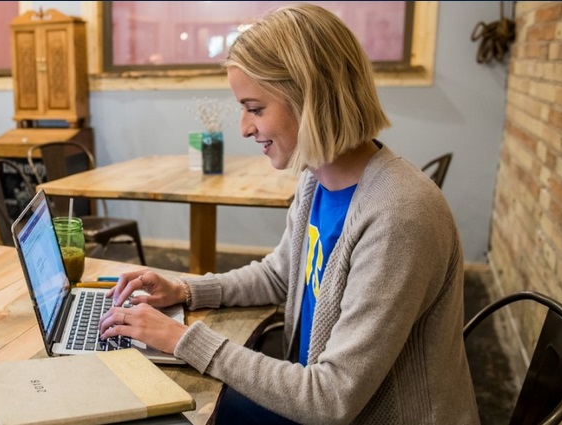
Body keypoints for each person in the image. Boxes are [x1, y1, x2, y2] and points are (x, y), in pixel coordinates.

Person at [98, 4, 479, 424]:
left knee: (160, 408)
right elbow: (280, 274)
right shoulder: (318, 178)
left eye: (255, 108)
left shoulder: (398, 215)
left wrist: (185, 339)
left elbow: (329, 400)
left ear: (311, 99)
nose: (244, 127)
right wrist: (184, 291)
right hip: (316, 397)